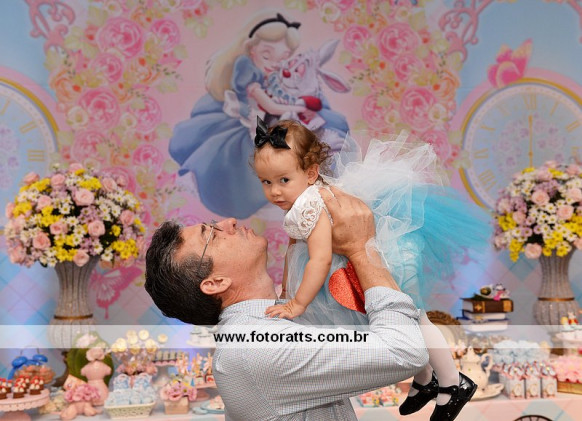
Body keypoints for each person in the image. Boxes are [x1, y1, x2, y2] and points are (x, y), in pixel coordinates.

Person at [252, 118, 489, 420]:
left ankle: (453, 383)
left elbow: (320, 259)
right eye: (266, 182)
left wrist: (297, 303)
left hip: (380, 255)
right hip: (357, 260)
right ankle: (425, 378)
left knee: (414, 317)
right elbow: (294, 245)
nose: (274, 191)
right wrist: (287, 289)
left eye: (284, 180)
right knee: (394, 321)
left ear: (310, 173)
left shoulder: (311, 204)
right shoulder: (302, 199)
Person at [145, 189, 434, 420]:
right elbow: (404, 351)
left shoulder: (273, 320)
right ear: (216, 282)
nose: (228, 222)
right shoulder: (254, 347)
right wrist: (361, 249)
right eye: (211, 234)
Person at [169, 9, 349, 219]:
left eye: (282, 58)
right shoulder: (249, 76)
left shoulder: (273, 77)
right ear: (251, 50)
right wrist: (298, 106)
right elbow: (270, 106)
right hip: (255, 118)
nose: (274, 63)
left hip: (269, 118)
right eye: (266, 55)